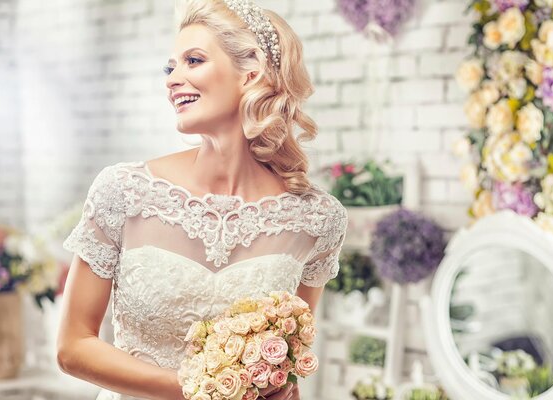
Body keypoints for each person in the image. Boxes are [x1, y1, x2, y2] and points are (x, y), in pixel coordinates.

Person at [56, 0, 348, 399]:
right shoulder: (124, 191)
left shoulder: (316, 218)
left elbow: (287, 369)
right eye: (170, 67)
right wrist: (200, 389)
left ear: (251, 74)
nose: (173, 79)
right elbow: (73, 347)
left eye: (193, 61)